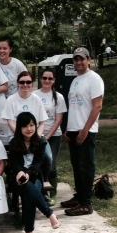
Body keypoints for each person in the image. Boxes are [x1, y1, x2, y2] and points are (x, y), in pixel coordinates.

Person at [62, 47, 104, 216]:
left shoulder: (94, 79)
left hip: (85, 130)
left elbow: (97, 106)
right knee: (76, 166)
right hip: (73, 129)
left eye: (82, 59)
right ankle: (79, 196)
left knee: (86, 166)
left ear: (89, 60)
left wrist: (85, 130)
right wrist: (68, 129)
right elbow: (74, 107)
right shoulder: (76, 80)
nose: (79, 62)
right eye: (76, 59)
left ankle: (86, 203)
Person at [9, 112, 60, 233]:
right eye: (25, 126)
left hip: (35, 176)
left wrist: (28, 174)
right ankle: (49, 214)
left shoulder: (41, 142)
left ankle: (29, 232)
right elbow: (14, 164)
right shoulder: (14, 143)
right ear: (19, 127)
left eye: (32, 125)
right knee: (27, 188)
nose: (29, 129)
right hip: (17, 178)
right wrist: (20, 172)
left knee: (29, 194)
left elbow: (38, 164)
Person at [34, 69, 67, 202]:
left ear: (54, 80)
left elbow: (59, 119)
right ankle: (42, 193)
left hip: (54, 135)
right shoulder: (34, 95)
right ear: (41, 79)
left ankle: (52, 192)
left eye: (50, 78)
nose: (47, 81)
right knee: (39, 163)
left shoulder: (58, 97)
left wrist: (47, 137)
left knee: (51, 163)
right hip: (37, 135)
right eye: (44, 78)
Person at [3, 71, 48, 135]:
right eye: (22, 82)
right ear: (18, 83)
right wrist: (22, 137)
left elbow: (42, 123)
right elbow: (11, 122)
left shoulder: (37, 100)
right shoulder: (10, 100)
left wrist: (36, 137)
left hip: (35, 137)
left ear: (32, 83)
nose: (25, 84)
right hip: (17, 136)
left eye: (28, 82)